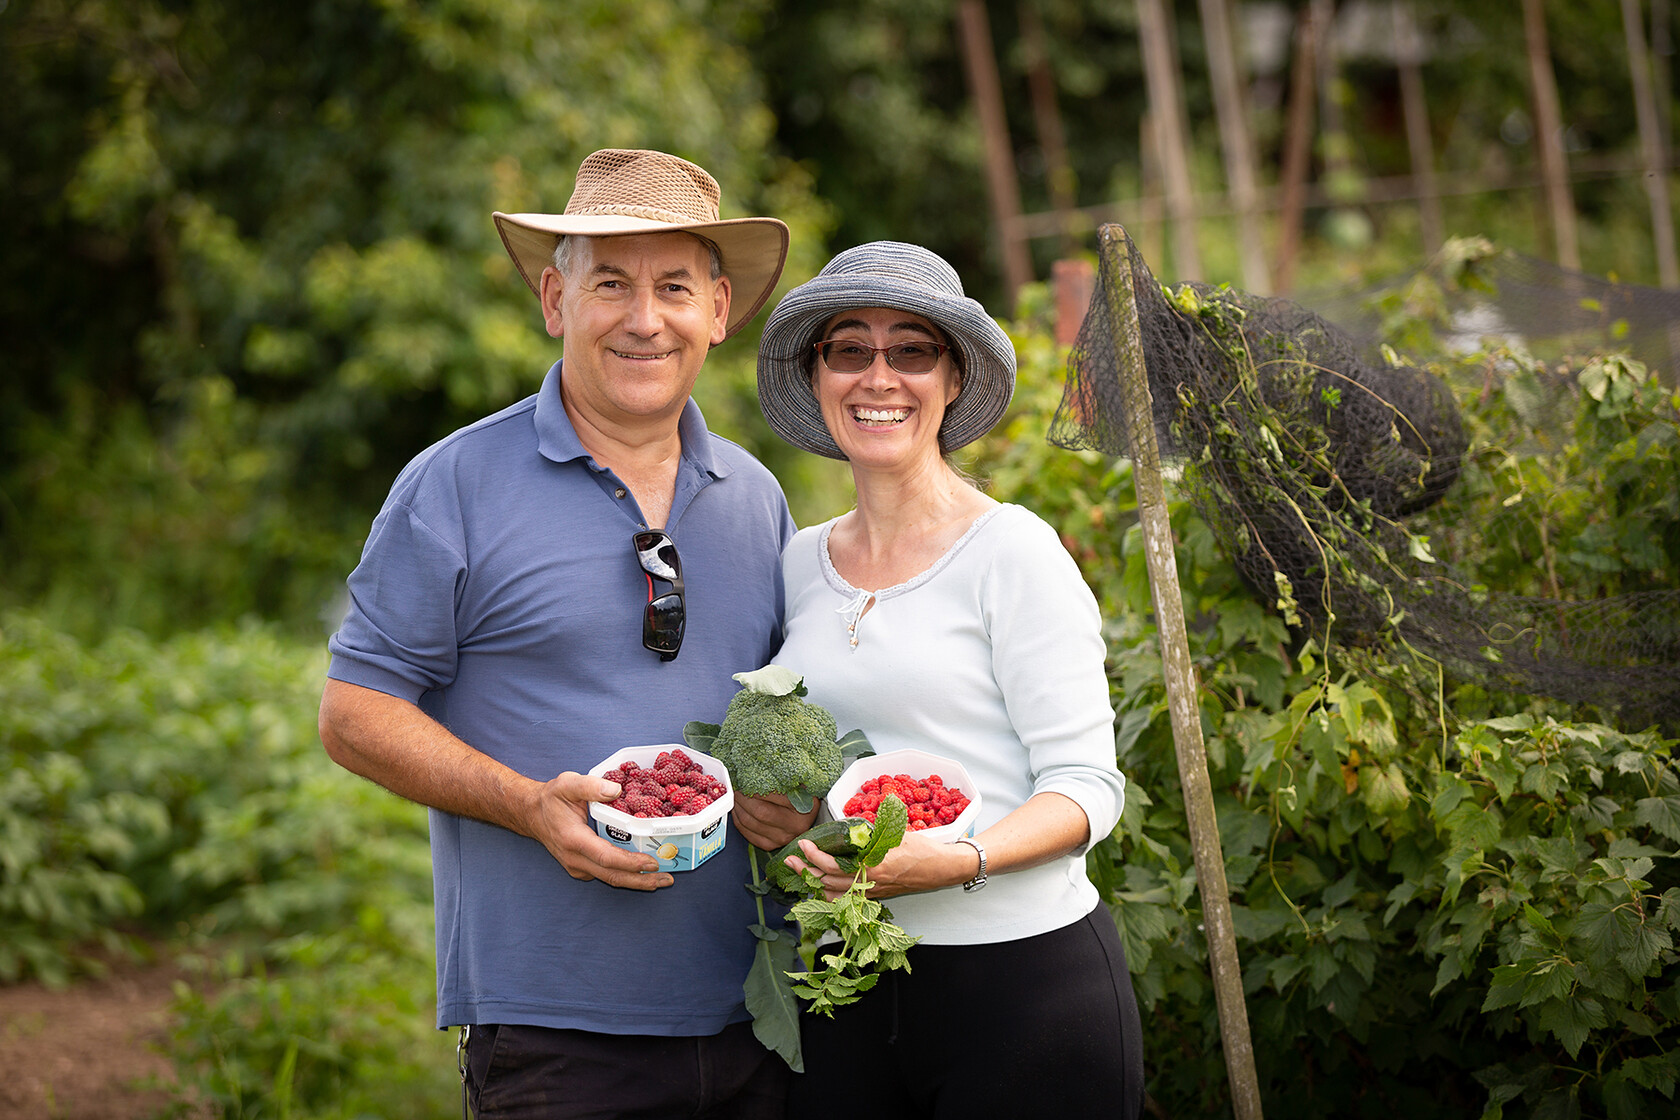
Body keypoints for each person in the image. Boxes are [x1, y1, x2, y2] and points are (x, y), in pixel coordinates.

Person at [318, 148, 817, 1120]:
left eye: (674, 286)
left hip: (757, 1016)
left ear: (718, 311)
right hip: (555, 1036)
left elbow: (775, 713)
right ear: (556, 298)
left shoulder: (756, 498)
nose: (644, 318)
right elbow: (353, 712)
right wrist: (527, 804)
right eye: (611, 284)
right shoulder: (454, 485)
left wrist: (791, 796)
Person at [753, 241, 1146, 1119]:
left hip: (1022, 989)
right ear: (818, 377)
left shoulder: (1012, 553)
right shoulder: (799, 562)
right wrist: (776, 815)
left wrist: (958, 860)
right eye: (848, 349)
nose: (878, 376)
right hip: (847, 982)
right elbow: (820, 759)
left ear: (954, 378)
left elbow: (1087, 788)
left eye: (912, 351)